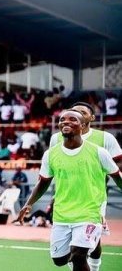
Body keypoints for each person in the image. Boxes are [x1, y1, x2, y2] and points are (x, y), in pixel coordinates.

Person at [17, 109, 122, 271]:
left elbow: (117, 177)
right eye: (62, 120)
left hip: (89, 212)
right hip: (62, 214)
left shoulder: (99, 152)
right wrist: (29, 204)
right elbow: (43, 181)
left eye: (72, 119)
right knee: (59, 260)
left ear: (83, 126)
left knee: (78, 255)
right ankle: (90, 244)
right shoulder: (50, 155)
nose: (66, 122)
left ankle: (89, 245)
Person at [49, 102, 122, 271]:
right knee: (80, 245)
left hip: (94, 196)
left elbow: (116, 164)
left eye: (81, 112)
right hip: (66, 197)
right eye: (73, 112)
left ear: (90, 118)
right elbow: (56, 165)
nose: (75, 115)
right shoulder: (57, 138)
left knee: (84, 245)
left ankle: (94, 267)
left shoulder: (105, 138)